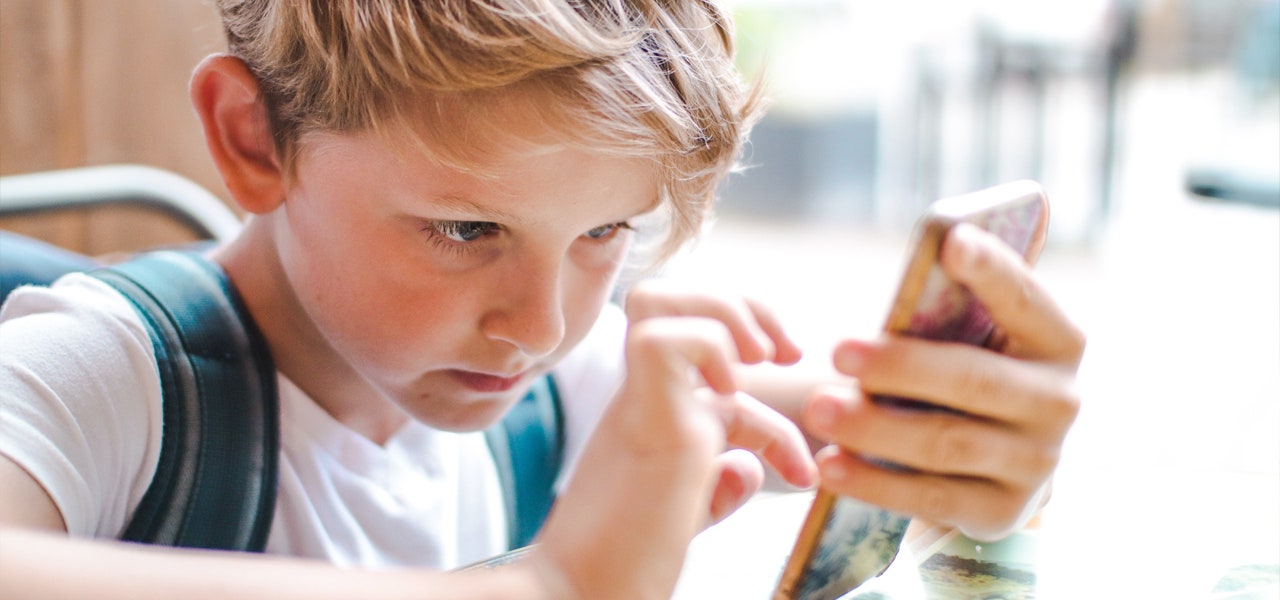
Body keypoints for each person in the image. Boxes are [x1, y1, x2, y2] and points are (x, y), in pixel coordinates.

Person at [0, 1, 1084, 598]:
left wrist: (962, 439)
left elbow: (850, 424)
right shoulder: (106, 385)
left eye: (604, 234)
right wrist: (542, 589)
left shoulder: (560, 382)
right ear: (255, 137)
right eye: (467, 230)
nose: (543, 324)